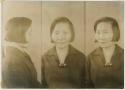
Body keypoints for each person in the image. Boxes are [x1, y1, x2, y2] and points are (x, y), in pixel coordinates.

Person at [41, 17, 87, 88]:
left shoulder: (81, 58)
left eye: (65, 33)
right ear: (51, 34)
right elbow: (44, 85)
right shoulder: (45, 58)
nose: (61, 37)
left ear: (72, 34)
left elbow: (85, 85)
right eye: (57, 33)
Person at [2, 17, 42, 88]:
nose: (32, 36)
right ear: (19, 34)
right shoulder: (13, 61)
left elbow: (33, 83)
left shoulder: (19, 52)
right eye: (30, 33)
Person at [87, 17, 124, 88]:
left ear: (115, 33)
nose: (101, 37)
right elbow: (88, 85)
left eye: (105, 32)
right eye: (98, 33)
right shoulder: (90, 57)